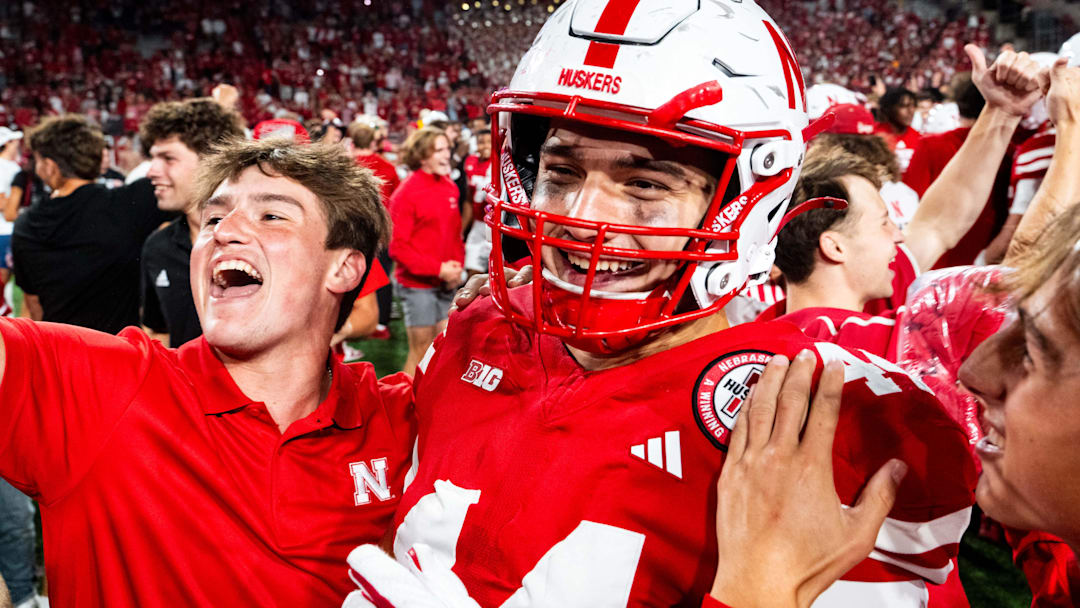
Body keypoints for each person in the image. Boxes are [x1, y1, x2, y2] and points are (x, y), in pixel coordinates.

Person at [344, 2, 975, 606]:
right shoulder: (482, 326)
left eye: (644, 183)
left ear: (751, 201)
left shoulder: (811, 419)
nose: (582, 218)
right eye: (561, 173)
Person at [0, 139, 414, 606]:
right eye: (213, 218)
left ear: (343, 268)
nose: (224, 231)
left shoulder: (402, 420)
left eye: (271, 215)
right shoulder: (107, 388)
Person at [11, 114, 171, 334]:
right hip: (120, 353)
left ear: (50, 166)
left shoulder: (26, 225)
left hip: (63, 353)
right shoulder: (133, 203)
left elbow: (34, 306)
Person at [139, 97, 247, 347]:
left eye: (168, 158)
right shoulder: (159, 247)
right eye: (153, 158)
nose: (151, 171)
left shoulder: (262, 241)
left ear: (212, 161)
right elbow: (158, 333)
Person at [903, 72, 1012, 269]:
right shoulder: (1014, 150)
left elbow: (911, 201)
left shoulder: (930, 146)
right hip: (993, 262)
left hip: (939, 264)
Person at [388, 126, 464, 376]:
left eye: (448, 148)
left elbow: (455, 234)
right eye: (439, 150)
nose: (447, 155)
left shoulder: (450, 186)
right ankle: (402, 409)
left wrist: (456, 267)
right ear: (422, 156)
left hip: (446, 283)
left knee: (443, 348)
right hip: (417, 285)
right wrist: (438, 269)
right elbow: (397, 247)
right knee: (420, 350)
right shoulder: (406, 193)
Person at [875, 87, 921, 172]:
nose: (910, 111)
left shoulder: (919, 138)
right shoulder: (874, 136)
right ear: (889, 109)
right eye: (903, 106)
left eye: (913, 106)